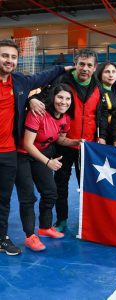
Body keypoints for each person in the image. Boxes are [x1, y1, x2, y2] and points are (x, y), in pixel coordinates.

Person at [0, 38, 69, 255]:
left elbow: (43, 77)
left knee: (3, 200)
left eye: (13, 57)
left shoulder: (19, 81)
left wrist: (63, 67)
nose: (9, 60)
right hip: (16, 152)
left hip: (9, 151)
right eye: (4, 56)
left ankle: (1, 238)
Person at [33, 48, 106, 232]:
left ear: (95, 67)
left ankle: (87, 221)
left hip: (88, 146)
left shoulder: (98, 87)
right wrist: (31, 100)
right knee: (61, 184)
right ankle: (62, 220)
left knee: (88, 186)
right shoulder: (62, 81)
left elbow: (103, 114)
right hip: (63, 143)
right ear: (75, 64)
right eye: (81, 64)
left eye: (89, 65)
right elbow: (41, 97)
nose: (85, 68)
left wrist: (102, 136)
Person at [15, 84, 82, 251]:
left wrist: (76, 142)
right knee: (28, 197)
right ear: (53, 98)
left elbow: (59, 139)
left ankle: (45, 227)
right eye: (60, 97)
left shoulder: (65, 118)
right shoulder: (38, 113)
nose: (63, 102)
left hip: (41, 155)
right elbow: (27, 144)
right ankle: (30, 236)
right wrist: (47, 162)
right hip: (23, 155)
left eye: (67, 99)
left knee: (50, 192)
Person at [97, 62, 116, 144]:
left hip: (112, 136)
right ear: (100, 74)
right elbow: (100, 117)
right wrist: (102, 136)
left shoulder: (115, 91)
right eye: (107, 72)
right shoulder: (98, 91)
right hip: (102, 138)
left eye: (113, 72)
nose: (111, 75)